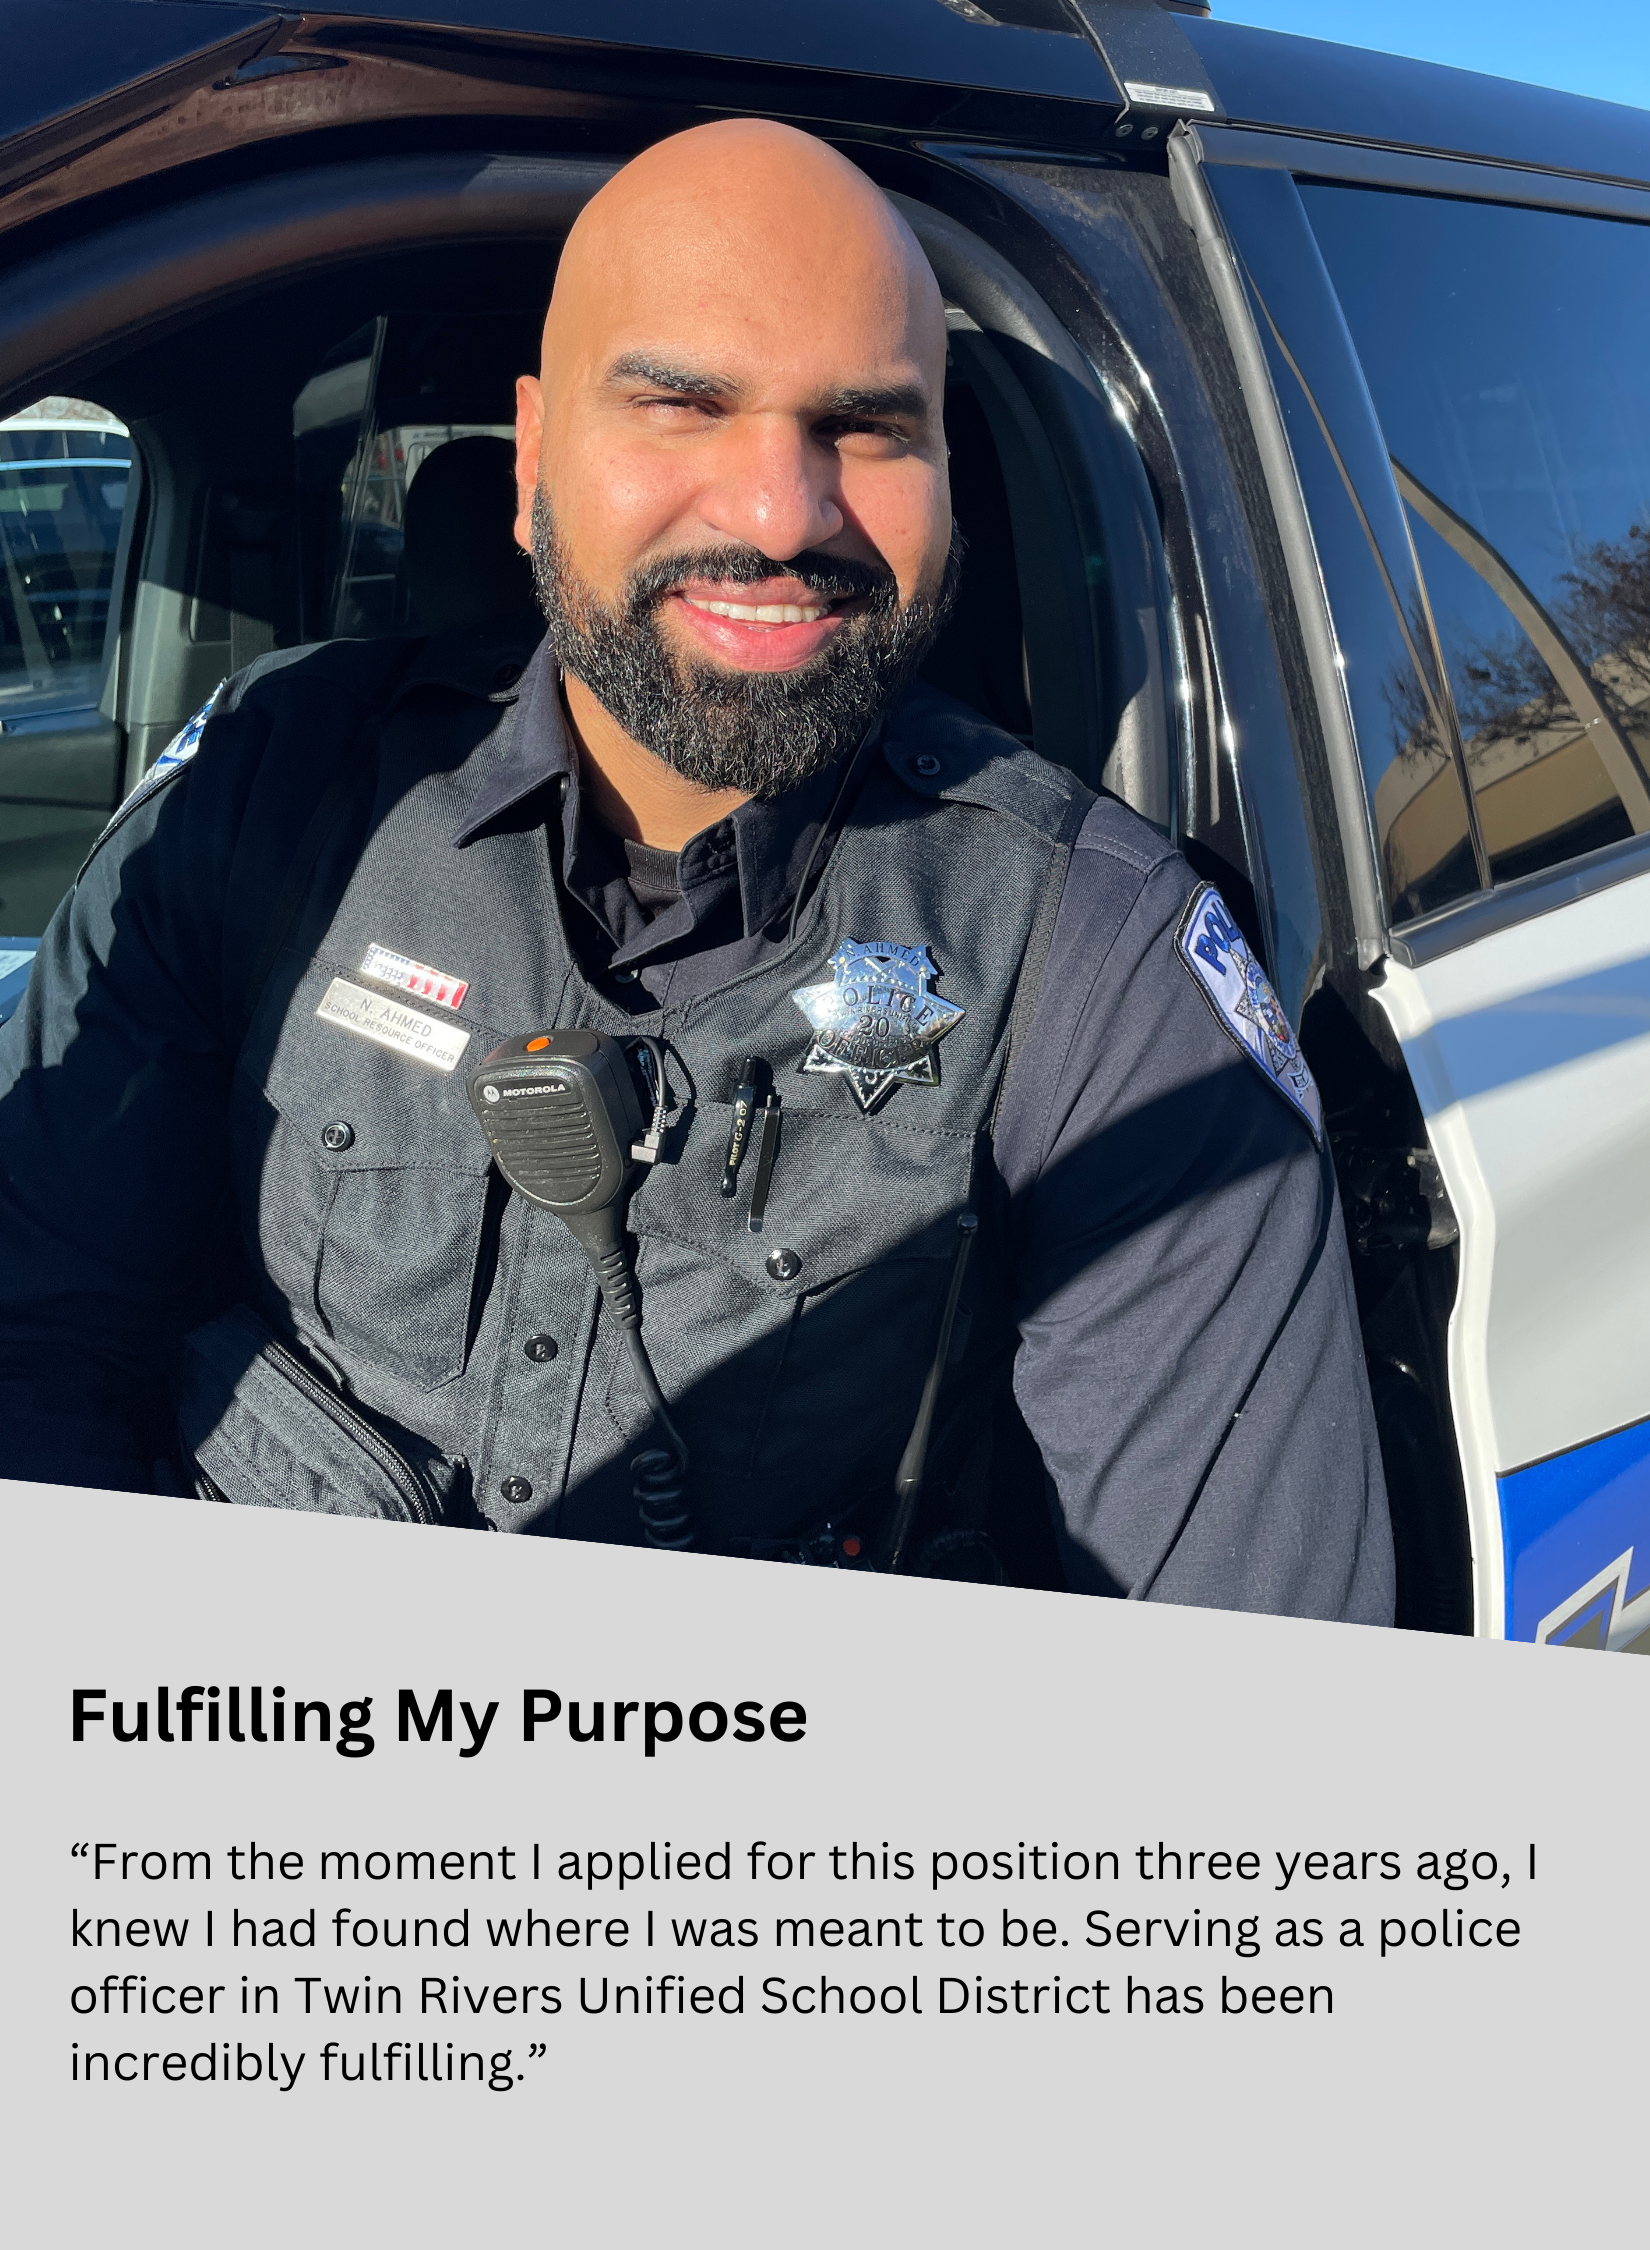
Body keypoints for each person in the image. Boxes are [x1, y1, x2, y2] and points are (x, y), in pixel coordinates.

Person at [0, 121, 1392, 1620]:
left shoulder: (1103, 970)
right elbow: (39, 1339)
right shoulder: (277, 785)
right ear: (533, 453)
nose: (780, 513)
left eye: (866, 426)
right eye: (679, 403)